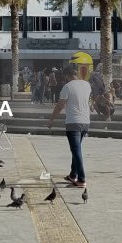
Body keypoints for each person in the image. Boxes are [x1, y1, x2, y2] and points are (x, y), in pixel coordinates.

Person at [48, 57, 91, 189]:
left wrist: (51, 119)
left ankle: (81, 179)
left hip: (73, 122)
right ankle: (73, 174)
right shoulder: (86, 85)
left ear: (67, 75)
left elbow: (60, 105)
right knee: (76, 149)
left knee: (76, 150)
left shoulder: (67, 86)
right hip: (85, 122)